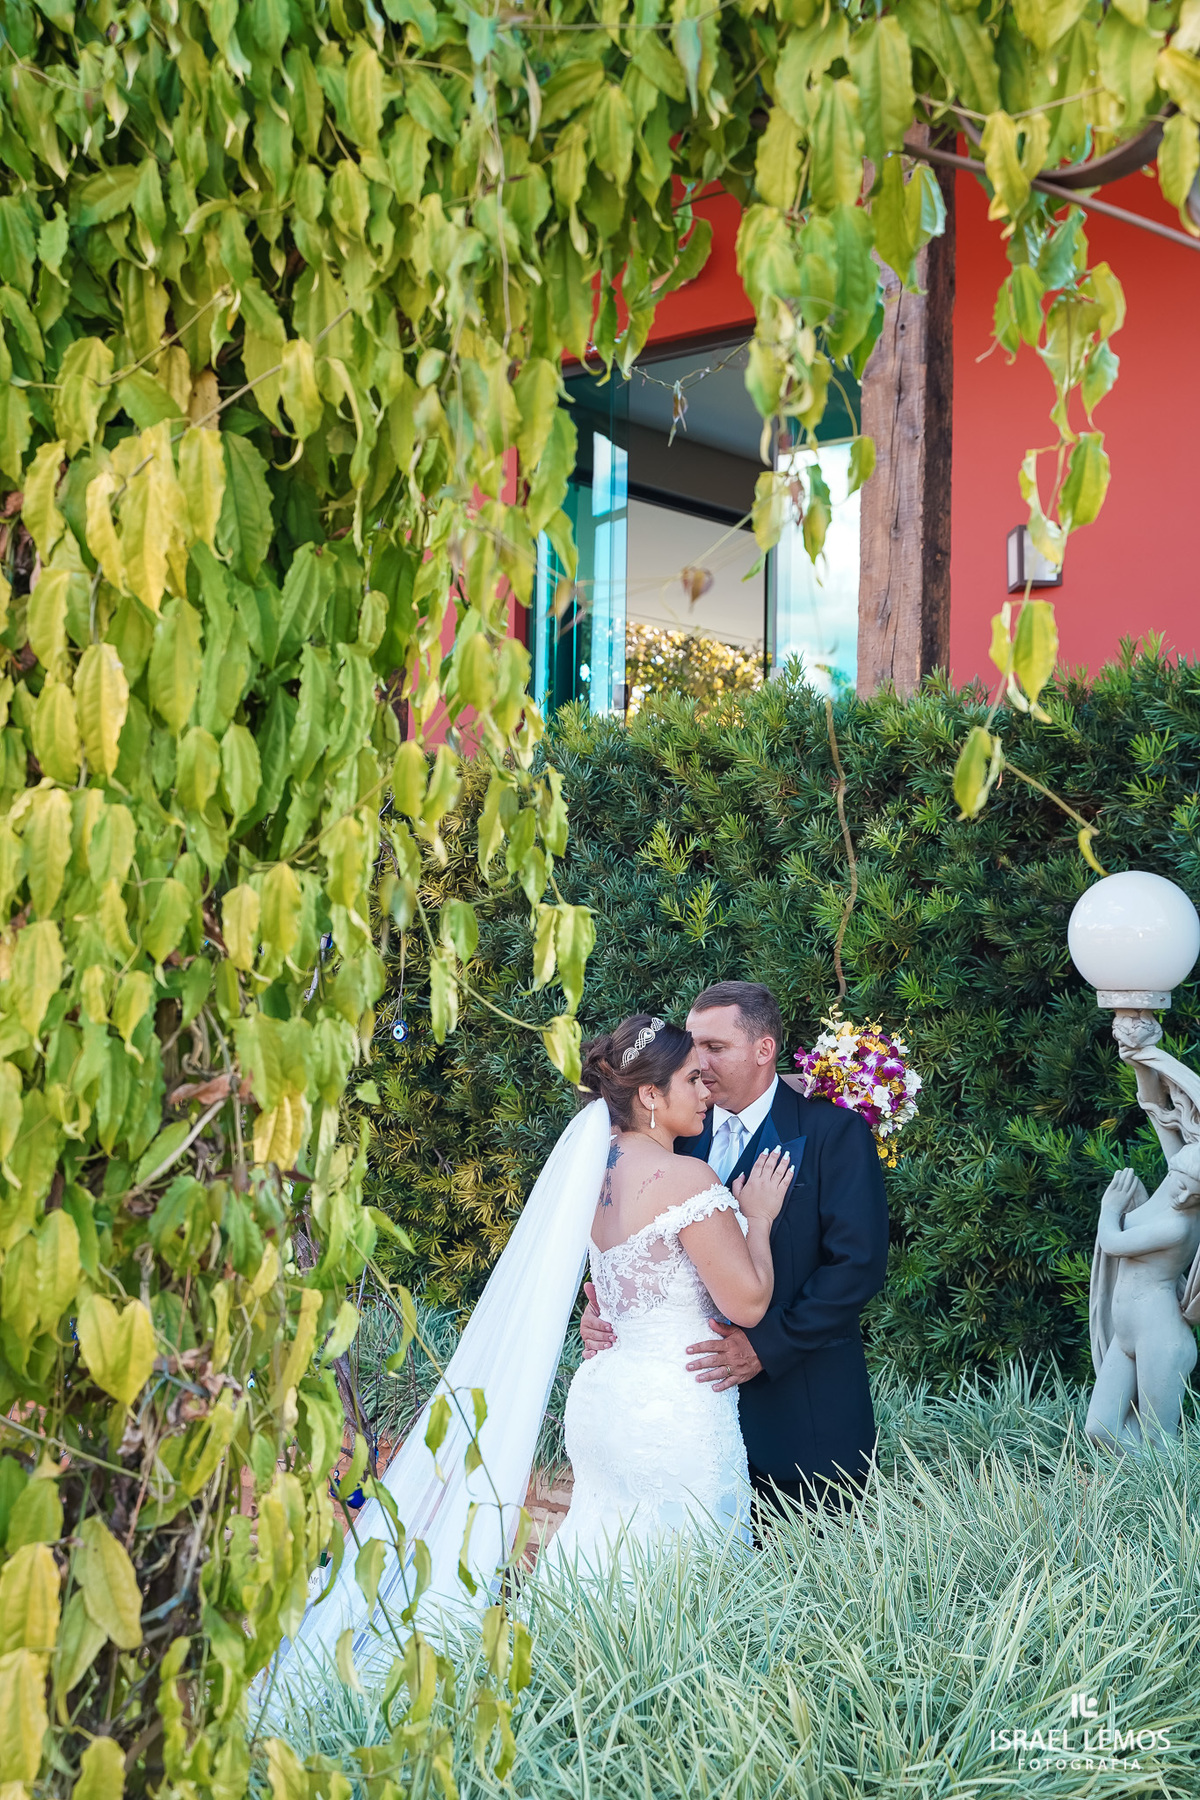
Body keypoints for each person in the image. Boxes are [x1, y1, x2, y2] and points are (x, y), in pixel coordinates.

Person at [581, 981, 889, 1507]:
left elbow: (856, 1268)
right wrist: (606, 1315)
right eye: (692, 1047)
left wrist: (764, 1348)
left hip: (802, 1418)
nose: (698, 1063)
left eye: (714, 1048)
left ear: (763, 1050)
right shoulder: (672, 1138)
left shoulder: (833, 1134)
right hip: (683, 1423)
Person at [551, 1012, 793, 1562]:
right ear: (650, 1096)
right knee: (687, 1579)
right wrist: (757, 1217)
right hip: (672, 1410)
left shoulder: (591, 1174)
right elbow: (749, 1305)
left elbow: (616, 1286)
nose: (704, 1090)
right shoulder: (685, 1179)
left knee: (606, 1562)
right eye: (690, 1079)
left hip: (602, 1402)